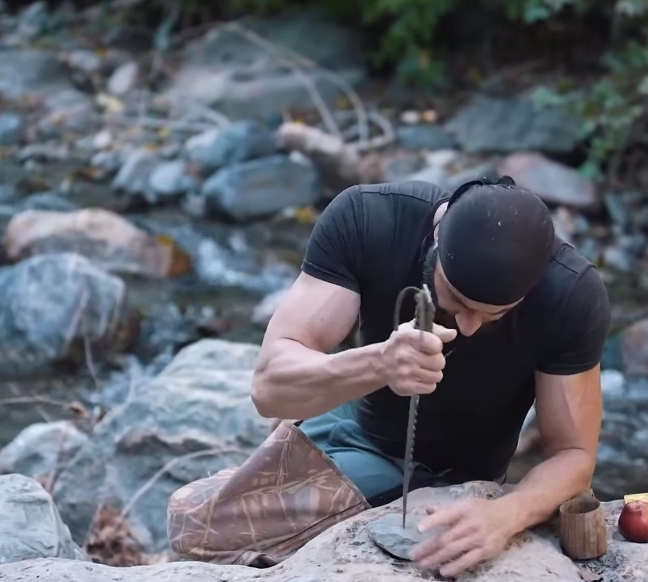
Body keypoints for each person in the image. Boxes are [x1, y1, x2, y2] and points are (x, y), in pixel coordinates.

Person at [166, 176, 611, 577]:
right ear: (437, 235)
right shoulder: (371, 219)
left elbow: (574, 454)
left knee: (206, 530)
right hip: (357, 422)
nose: (468, 325)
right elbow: (269, 390)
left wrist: (506, 516)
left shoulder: (570, 294)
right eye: (456, 300)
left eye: (493, 313)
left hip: (451, 479)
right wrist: (380, 363)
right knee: (190, 521)